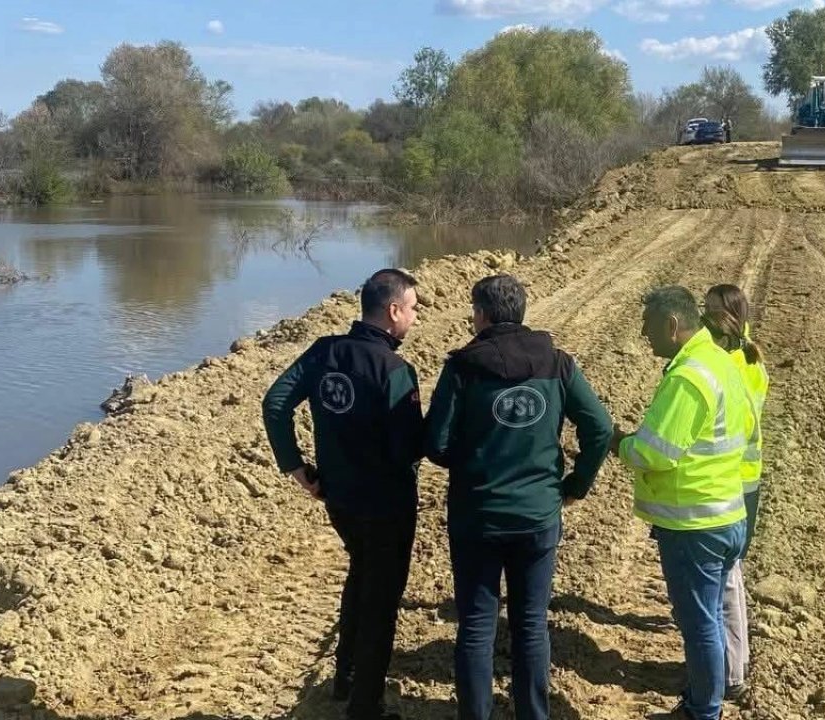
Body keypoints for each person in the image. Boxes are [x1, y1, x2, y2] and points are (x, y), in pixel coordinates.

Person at [425, 274, 613, 720]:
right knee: (530, 624)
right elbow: (600, 429)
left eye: (473, 311)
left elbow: (435, 442)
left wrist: (472, 466)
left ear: (483, 315)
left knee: (476, 625)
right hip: (538, 515)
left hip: (478, 516)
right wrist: (573, 487)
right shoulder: (558, 363)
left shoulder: (463, 368)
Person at [261, 269, 423, 720]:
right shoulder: (394, 370)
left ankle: (345, 676)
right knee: (382, 598)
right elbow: (408, 446)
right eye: (412, 310)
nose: (413, 319)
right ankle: (365, 706)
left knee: (360, 571)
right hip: (387, 503)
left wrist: (295, 466)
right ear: (393, 312)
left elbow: (275, 403)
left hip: (338, 497)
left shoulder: (322, 351)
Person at [611, 285, 753, 720]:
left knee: (700, 626)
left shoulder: (688, 376)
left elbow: (655, 452)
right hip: (725, 513)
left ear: (672, 326)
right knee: (711, 615)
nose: (642, 334)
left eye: (648, 325)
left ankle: (702, 710)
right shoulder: (720, 363)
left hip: (696, 525)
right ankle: (709, 697)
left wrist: (619, 443)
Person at [702, 284, 769, 700]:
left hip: (729, 480)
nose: (702, 318)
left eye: (708, 311)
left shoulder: (728, 363)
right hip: (747, 478)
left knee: (725, 579)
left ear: (726, 318)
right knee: (731, 575)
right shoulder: (752, 360)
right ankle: (734, 662)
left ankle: (730, 671)